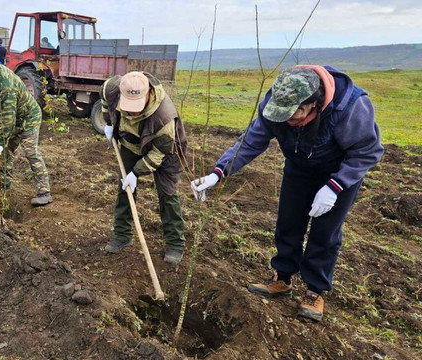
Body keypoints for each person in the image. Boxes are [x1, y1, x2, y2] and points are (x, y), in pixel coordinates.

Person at [191, 65, 384, 321]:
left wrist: (335, 186)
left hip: (338, 173)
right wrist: (219, 172)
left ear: (313, 105)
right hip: (299, 167)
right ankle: (282, 279)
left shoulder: (349, 106)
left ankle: (315, 291)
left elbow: (367, 151)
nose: (288, 121)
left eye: (294, 115)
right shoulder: (276, 105)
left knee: (325, 232)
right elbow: (250, 141)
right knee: (288, 223)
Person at [101, 71, 188, 264]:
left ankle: (175, 244)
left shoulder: (164, 116)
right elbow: (105, 96)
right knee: (125, 189)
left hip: (165, 150)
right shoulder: (113, 88)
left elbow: (159, 153)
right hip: (131, 143)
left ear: (148, 93)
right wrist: (108, 122)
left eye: (137, 106)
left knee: (167, 194)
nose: (132, 112)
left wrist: (136, 172)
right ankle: (122, 236)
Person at [0, 53, 52, 206]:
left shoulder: (6, 85)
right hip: (15, 117)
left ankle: (44, 193)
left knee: (30, 152)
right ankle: (3, 182)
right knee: (6, 150)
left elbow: (9, 120)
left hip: (28, 118)